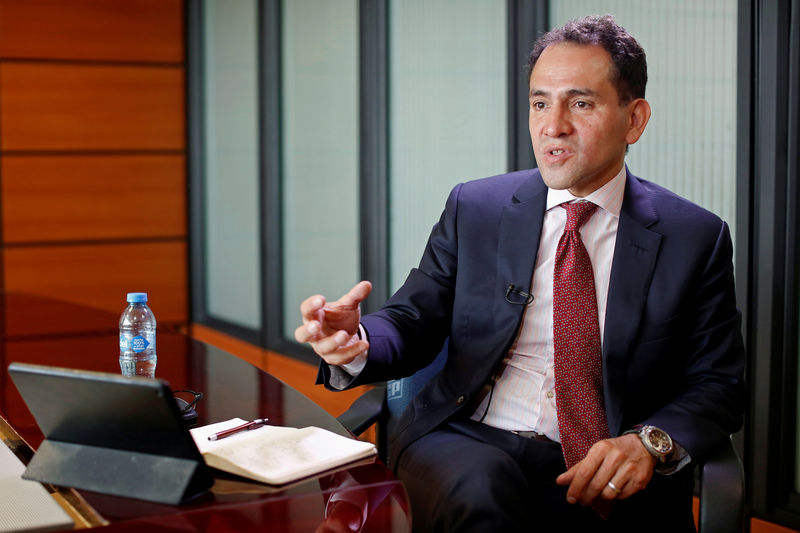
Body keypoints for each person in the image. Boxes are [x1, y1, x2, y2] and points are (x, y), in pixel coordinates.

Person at [295, 15, 745, 532]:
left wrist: (648, 443)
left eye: (580, 103)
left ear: (635, 119)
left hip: (607, 462)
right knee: (482, 492)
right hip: (467, 439)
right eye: (539, 103)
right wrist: (358, 340)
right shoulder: (476, 207)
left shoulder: (695, 237)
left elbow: (719, 383)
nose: (552, 126)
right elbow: (413, 318)